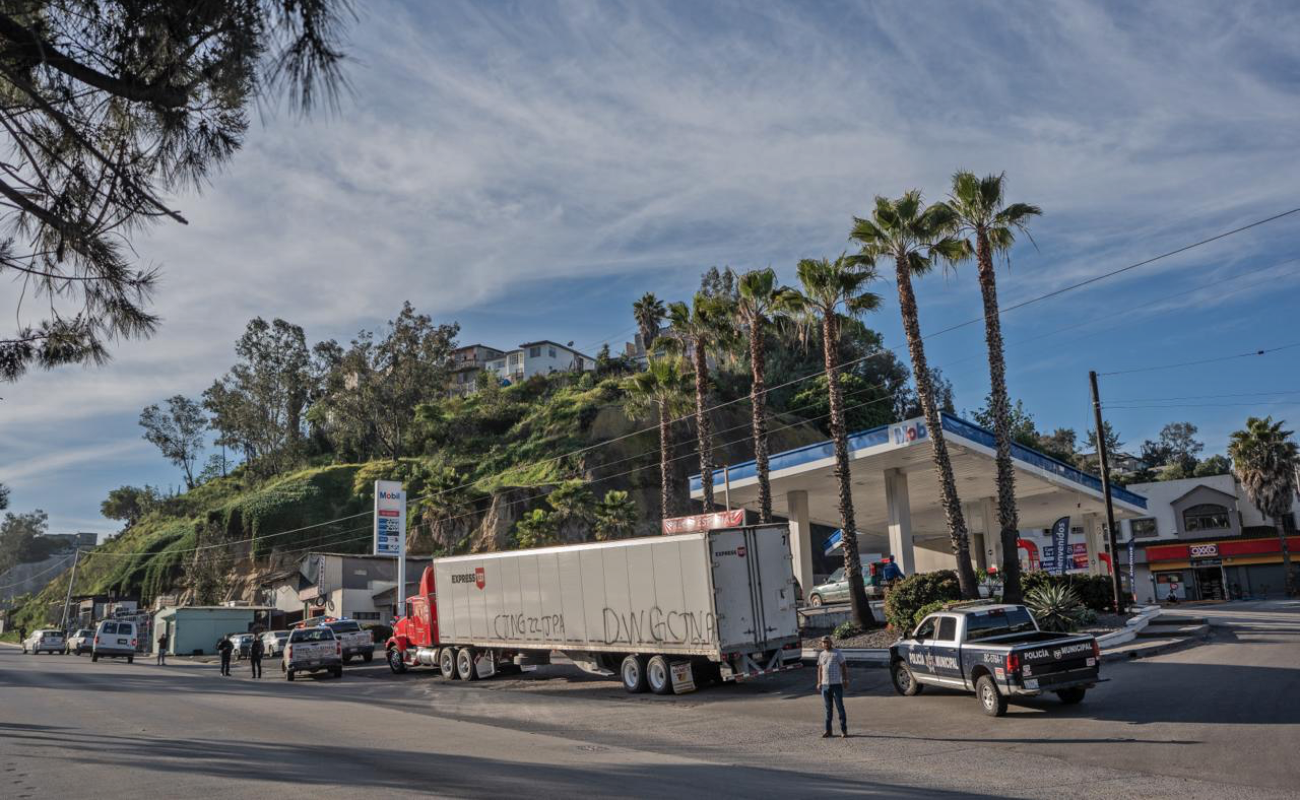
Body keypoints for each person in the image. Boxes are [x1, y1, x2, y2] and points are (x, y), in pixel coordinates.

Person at [815, 635, 848, 738]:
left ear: (831, 643)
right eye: (823, 642)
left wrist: (845, 679)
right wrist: (819, 682)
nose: (825, 644)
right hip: (825, 685)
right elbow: (820, 668)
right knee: (828, 709)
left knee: (840, 707)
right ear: (822, 644)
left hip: (836, 685)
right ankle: (828, 731)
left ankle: (844, 730)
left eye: (827, 642)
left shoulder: (837, 653)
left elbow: (843, 666)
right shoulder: (822, 655)